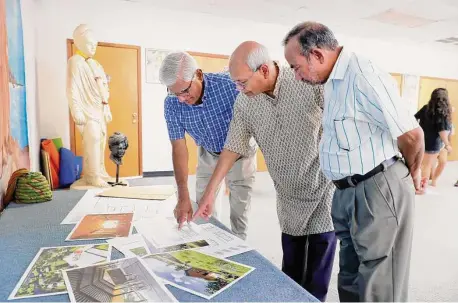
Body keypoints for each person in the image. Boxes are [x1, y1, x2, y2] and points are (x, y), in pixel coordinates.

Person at [283, 22, 425, 302]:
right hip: (346, 193)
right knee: (349, 275)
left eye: (296, 67)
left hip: (377, 187)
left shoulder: (363, 74)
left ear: (317, 55)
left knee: (380, 282)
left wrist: (412, 173)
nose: (297, 77)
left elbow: (411, 134)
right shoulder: (332, 80)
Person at [193, 41, 336, 302]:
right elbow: (232, 147)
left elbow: (338, 121)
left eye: (242, 81)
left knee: (316, 273)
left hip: (322, 188)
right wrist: (209, 194)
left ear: (264, 71)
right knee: (290, 272)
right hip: (287, 195)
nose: (238, 88)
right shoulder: (245, 103)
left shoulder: (305, 81)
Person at [158, 51, 256, 240]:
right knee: (203, 212)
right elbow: (179, 147)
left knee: (239, 216)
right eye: (174, 92)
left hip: (240, 156)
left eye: (185, 91)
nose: (181, 99)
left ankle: (239, 251)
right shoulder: (172, 104)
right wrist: (182, 195)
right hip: (208, 154)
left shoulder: (230, 86)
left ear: (199, 75)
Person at [415, 88, 453, 187]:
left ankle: (434, 179)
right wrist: (448, 144)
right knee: (426, 166)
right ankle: (422, 185)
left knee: (442, 162)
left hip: (433, 142)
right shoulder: (438, 112)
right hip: (435, 144)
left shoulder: (427, 108)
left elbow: (414, 118)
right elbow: (442, 132)